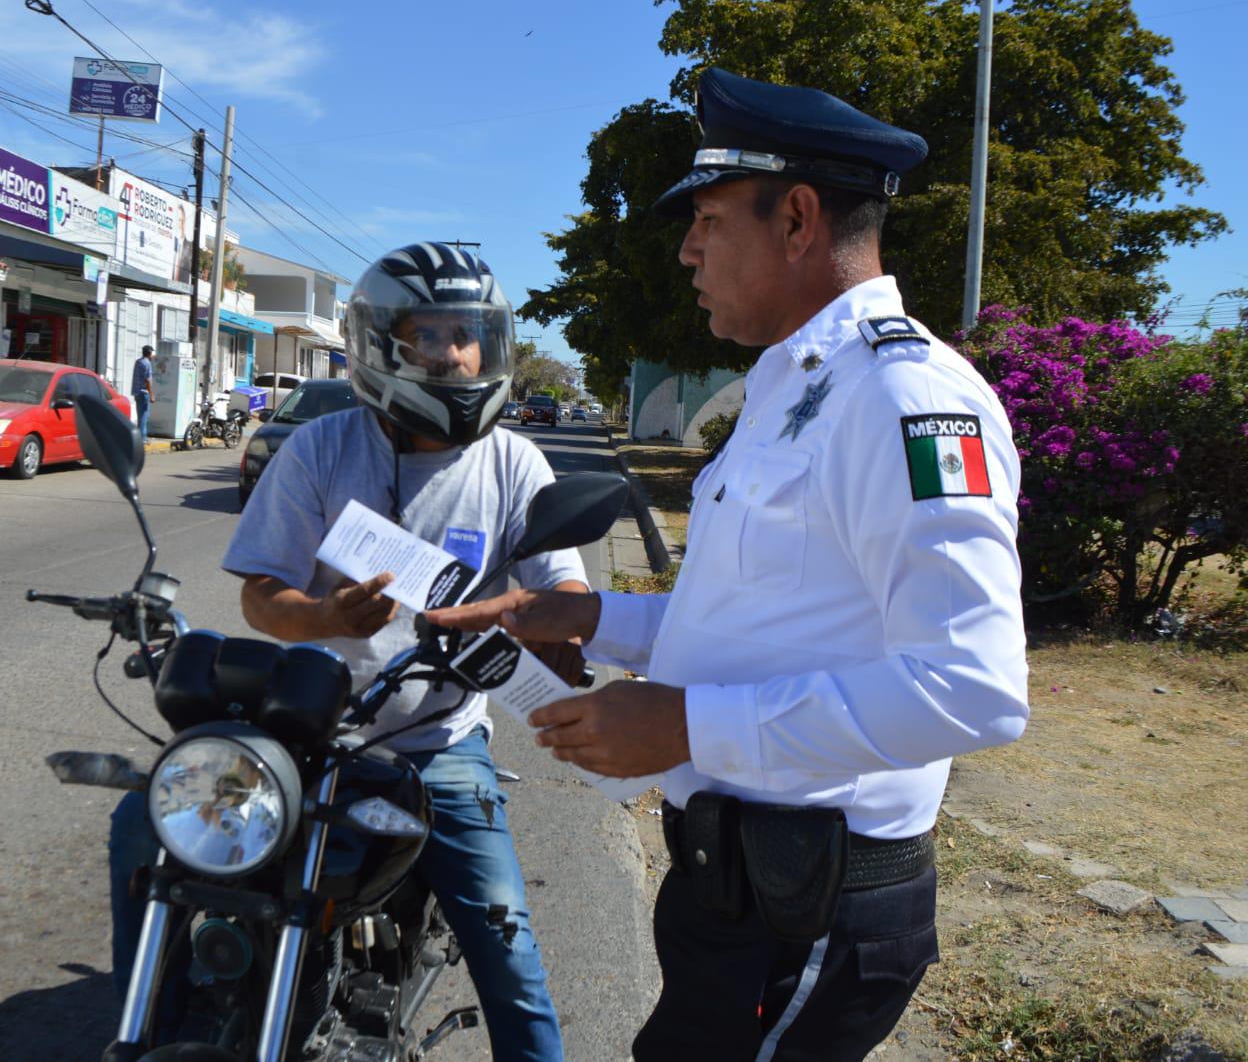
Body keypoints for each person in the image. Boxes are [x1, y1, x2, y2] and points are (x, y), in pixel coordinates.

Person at [428, 69, 1030, 1061]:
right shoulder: (792, 386)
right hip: (741, 890)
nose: (686, 250)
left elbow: (971, 688)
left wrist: (683, 721)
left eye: (707, 219)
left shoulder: (906, 397)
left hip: (808, 915)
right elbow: (752, 620)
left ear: (796, 218)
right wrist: (583, 620)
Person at [108, 242, 589, 1060]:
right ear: (379, 344)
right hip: (307, 729)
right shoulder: (322, 447)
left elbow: (570, 597)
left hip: (438, 742)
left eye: (466, 333)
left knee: (509, 957)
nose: (450, 351)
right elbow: (261, 594)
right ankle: (145, 1017)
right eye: (427, 332)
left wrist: (544, 628)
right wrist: (327, 613)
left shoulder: (515, 462)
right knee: (142, 825)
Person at [132, 344, 155, 440]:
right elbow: (147, 380)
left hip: (137, 392)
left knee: (140, 416)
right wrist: (152, 394)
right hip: (144, 393)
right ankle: (142, 438)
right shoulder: (147, 363)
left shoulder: (138, 362)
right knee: (144, 417)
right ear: (149, 353)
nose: (153, 356)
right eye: (152, 353)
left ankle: (139, 437)